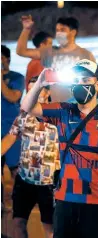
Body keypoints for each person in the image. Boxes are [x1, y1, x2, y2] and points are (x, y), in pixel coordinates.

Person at [21, 59, 98, 237]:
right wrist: (40, 84)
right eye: (77, 81)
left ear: (97, 84)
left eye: (85, 81)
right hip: (66, 200)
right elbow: (27, 107)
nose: (80, 85)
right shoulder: (64, 110)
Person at [1, 77, 57, 238]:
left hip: (48, 183)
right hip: (24, 180)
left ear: (47, 93)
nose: (32, 94)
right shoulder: (23, 117)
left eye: (37, 90)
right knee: (18, 223)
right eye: (30, 90)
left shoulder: (58, 117)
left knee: (50, 228)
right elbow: (8, 140)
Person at [17, 16, 96, 102]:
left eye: (62, 30)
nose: (58, 33)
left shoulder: (85, 55)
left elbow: (95, 83)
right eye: (57, 30)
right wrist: (26, 29)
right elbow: (21, 51)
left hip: (79, 106)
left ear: (73, 32)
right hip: (56, 107)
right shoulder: (50, 52)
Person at [1, 45, 25, 206]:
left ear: (7, 59)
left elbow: (11, 97)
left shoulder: (17, 77)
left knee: (16, 170)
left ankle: (21, 204)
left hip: (11, 130)